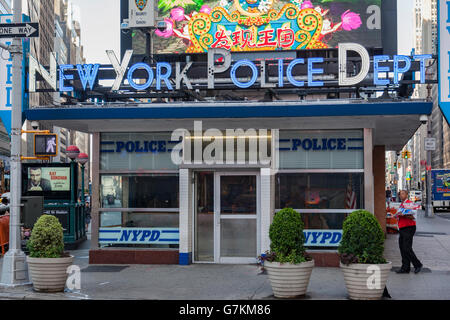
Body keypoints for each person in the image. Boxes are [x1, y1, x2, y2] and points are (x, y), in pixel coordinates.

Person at [396, 190, 423, 274]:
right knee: (402, 247)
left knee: (407, 248)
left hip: (409, 227)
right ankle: (405, 267)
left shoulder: (409, 203)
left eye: (403, 194)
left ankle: (417, 264)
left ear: (407, 195)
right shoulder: (402, 204)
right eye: (400, 194)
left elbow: (413, 216)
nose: (401, 195)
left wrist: (405, 214)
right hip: (402, 228)